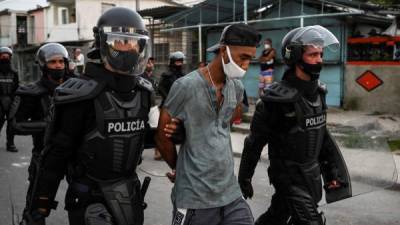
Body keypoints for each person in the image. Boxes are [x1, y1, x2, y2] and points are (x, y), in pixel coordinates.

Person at [25, 7, 153, 225]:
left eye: (133, 43)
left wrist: (174, 134)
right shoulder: (80, 94)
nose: (128, 49)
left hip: (129, 194)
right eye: (121, 42)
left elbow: (136, 135)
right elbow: (56, 155)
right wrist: (39, 206)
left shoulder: (143, 92)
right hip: (90, 195)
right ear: (103, 43)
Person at [238, 25, 349, 225]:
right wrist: (245, 178)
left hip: (311, 176)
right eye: (313, 54)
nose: (319, 60)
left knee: (277, 215)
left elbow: (321, 137)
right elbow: (254, 143)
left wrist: (332, 173)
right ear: (296, 56)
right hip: (288, 178)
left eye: (321, 54)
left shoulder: (319, 94)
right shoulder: (275, 100)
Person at [155, 23, 261, 225]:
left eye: (250, 59)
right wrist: (179, 169)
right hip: (194, 198)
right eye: (243, 58)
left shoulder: (236, 87)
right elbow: (162, 136)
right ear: (223, 51)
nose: (247, 65)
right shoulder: (186, 85)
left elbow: (225, 122)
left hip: (230, 193)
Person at [11, 43, 71, 222]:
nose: (58, 65)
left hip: (75, 156)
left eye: (61, 61)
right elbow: (16, 124)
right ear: (44, 65)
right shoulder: (32, 92)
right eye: (53, 62)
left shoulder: (78, 87)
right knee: (36, 207)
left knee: (85, 203)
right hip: (45, 155)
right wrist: (49, 125)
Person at [0, 46, 19, 152]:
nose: (5, 58)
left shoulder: (14, 73)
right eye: (3, 56)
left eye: (7, 57)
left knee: (12, 124)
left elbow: (17, 88)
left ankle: (10, 144)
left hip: (11, 101)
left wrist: (14, 101)